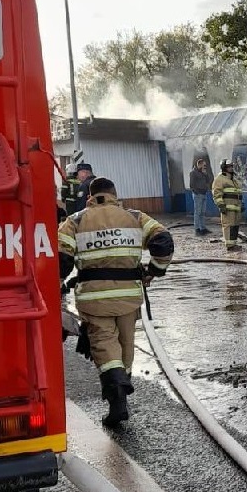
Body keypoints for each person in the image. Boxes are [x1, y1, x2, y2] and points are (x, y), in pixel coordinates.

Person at [58, 177, 173, 427]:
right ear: (114, 194)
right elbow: (163, 242)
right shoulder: (134, 217)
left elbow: (61, 261)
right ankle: (121, 397)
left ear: (90, 195)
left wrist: (57, 289)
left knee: (104, 346)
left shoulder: (75, 221)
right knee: (125, 347)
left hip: (93, 299)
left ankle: (117, 402)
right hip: (128, 297)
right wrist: (154, 270)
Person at [212, 159, 244, 251]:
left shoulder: (233, 180)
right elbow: (216, 194)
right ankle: (229, 246)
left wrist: (242, 205)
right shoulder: (220, 179)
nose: (231, 168)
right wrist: (221, 205)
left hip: (236, 208)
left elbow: (238, 193)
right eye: (229, 166)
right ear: (224, 168)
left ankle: (233, 244)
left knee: (235, 226)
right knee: (228, 226)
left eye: (231, 166)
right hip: (227, 208)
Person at [188, 157, 212, 235]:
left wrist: (205, 174)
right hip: (198, 195)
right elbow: (192, 185)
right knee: (197, 212)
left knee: (202, 212)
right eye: (204, 165)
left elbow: (208, 181)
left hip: (204, 193)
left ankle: (203, 228)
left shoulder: (203, 172)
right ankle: (197, 229)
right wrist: (197, 192)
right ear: (199, 164)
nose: (205, 166)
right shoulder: (193, 173)